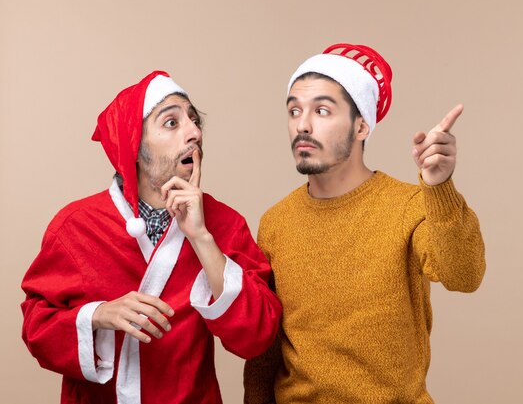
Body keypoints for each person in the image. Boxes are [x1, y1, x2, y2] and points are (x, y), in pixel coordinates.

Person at [243, 43, 486, 403]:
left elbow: (464, 275)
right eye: (294, 110)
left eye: (322, 110)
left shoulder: (409, 206)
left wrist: (439, 187)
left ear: (362, 126)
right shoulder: (277, 222)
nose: (303, 125)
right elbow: (266, 351)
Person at [21, 71, 282, 404]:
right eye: (171, 123)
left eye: (194, 120)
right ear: (134, 145)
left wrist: (201, 237)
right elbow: (37, 328)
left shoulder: (224, 224)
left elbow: (257, 336)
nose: (194, 132)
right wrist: (98, 315)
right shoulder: (75, 227)